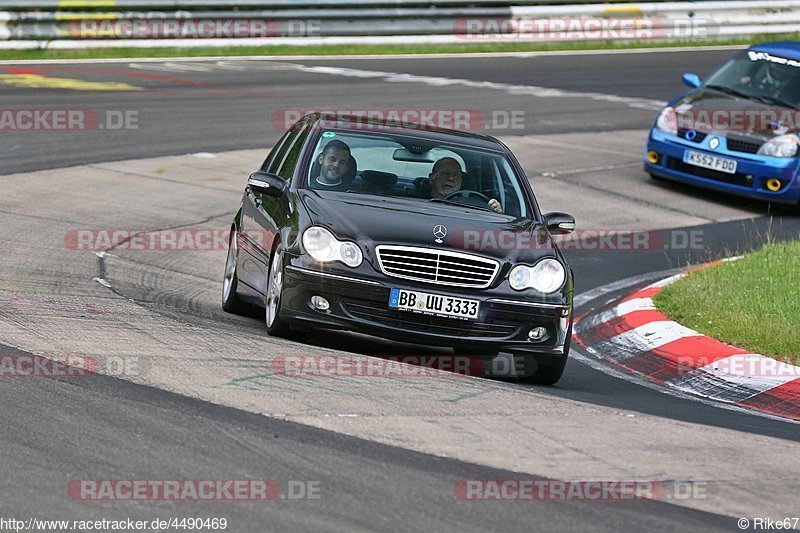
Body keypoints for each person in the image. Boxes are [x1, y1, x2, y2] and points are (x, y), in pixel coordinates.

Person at [428, 157, 502, 213]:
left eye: (455, 175)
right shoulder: (418, 202)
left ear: (461, 182)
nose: (450, 178)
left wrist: (495, 211)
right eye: (444, 173)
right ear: (431, 178)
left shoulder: (473, 207)